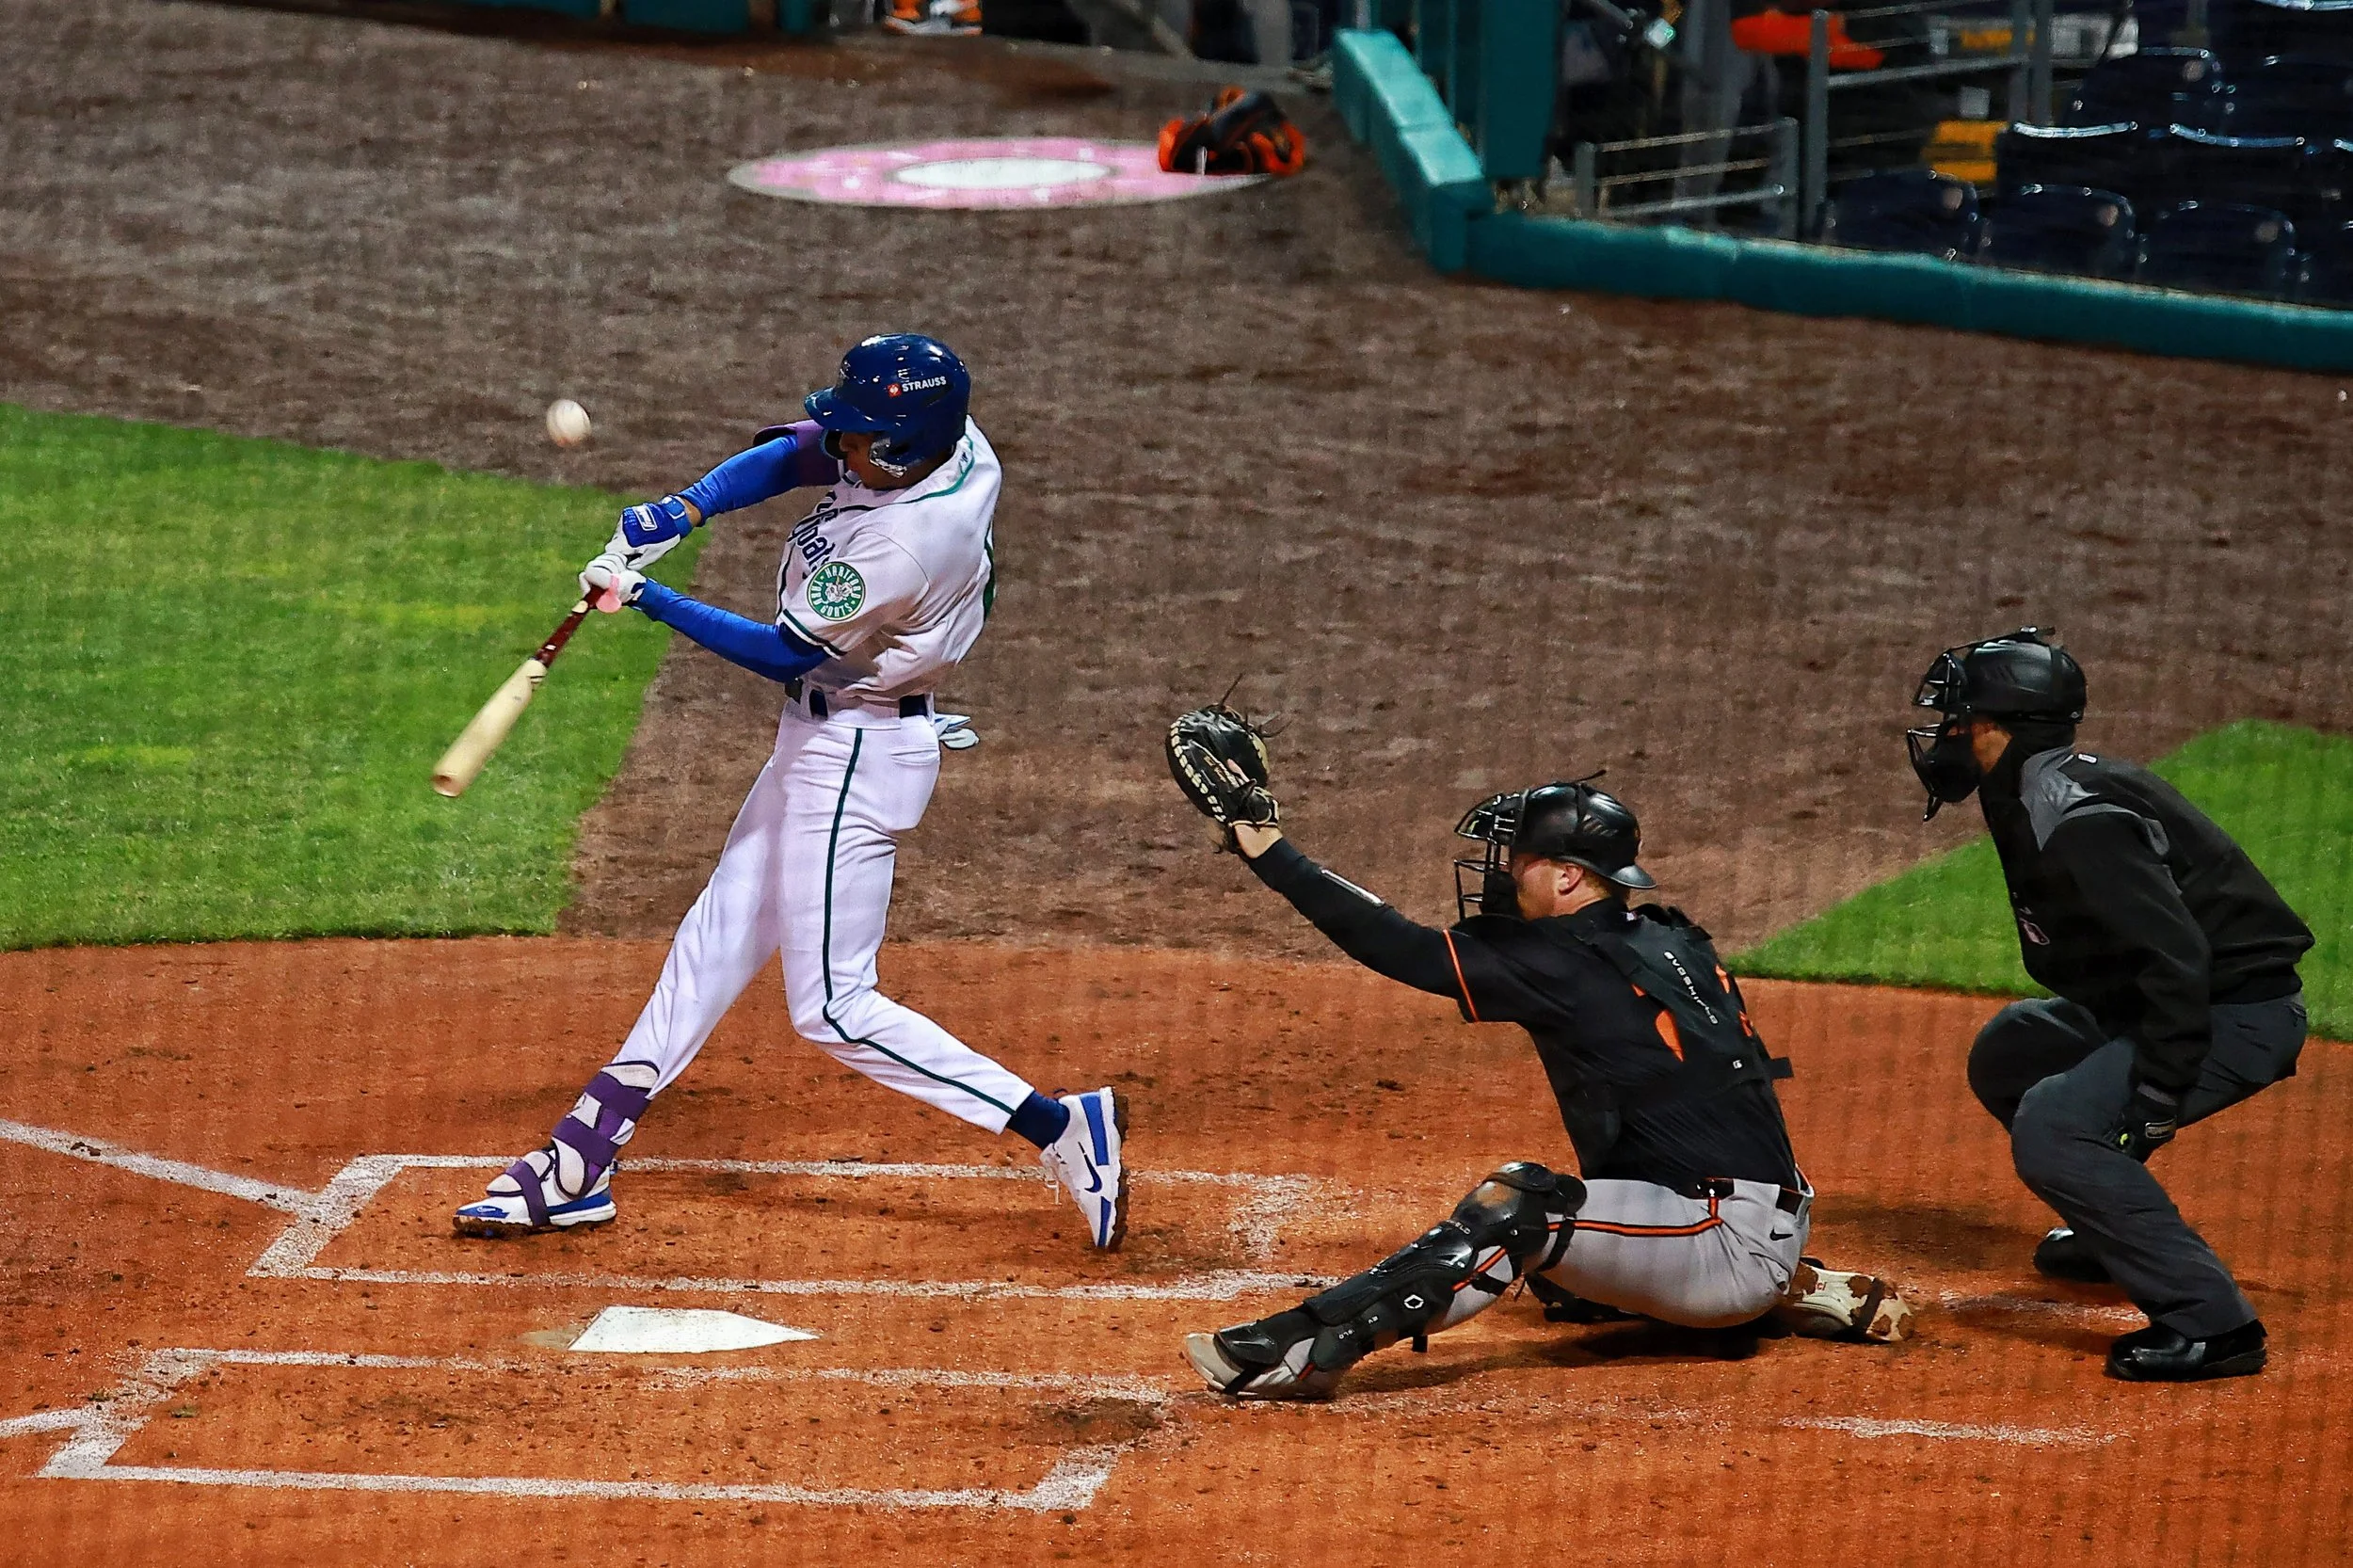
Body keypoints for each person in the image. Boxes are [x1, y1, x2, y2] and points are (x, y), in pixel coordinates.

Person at [454, 335, 1129, 1252]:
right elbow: (801, 449)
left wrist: (645, 599)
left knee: (836, 1006)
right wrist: (682, 508)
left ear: (899, 448)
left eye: (860, 437)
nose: (839, 446)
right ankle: (582, 1156)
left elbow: (785, 651)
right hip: (823, 738)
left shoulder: (908, 538)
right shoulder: (947, 442)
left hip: (857, 751)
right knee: (714, 937)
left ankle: (1061, 1126)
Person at [1160, 707, 1908, 1400]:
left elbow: (1396, 944)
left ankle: (1300, 1351)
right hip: (1736, 1209)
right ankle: (1783, 1288)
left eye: (1516, 859)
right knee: (1555, 1268)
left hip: (1720, 1235)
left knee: (1518, 1213)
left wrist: (1264, 844)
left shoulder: (1564, 963)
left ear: (1568, 876)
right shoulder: (1662, 939)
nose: (1501, 872)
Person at [1907, 628, 2313, 1381]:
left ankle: (2213, 1326)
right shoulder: (2025, 785)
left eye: (1963, 716)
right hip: (2174, 1001)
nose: (1948, 732)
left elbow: (2179, 959)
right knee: (2013, 1050)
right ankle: (2107, 1228)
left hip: (2234, 1015)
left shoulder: (2076, 820)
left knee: (2055, 1128)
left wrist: (2159, 1087)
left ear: (2002, 727)